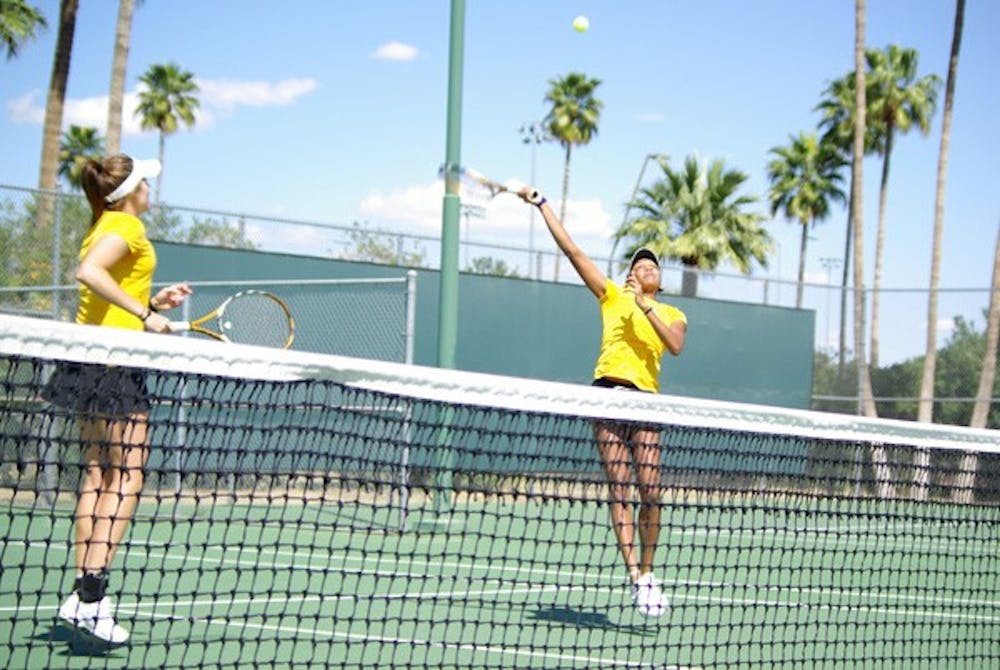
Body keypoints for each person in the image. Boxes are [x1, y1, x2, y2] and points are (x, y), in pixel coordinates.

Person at [517, 186, 686, 618]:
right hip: (607, 396)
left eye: (652, 266)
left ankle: (648, 573)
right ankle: (634, 577)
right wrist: (542, 205)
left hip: (646, 404)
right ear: (630, 275)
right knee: (620, 490)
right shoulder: (611, 296)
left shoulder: (670, 313)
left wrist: (645, 306)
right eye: (639, 265)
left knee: (651, 493)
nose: (646, 268)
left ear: (658, 280)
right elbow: (573, 252)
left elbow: (675, 346)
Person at [43, 154, 191, 645]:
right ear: (131, 191)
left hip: (86, 358)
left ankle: (82, 595)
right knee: (127, 476)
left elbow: (107, 289)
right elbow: (90, 272)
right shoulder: (125, 224)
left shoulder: (103, 222)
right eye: (145, 181)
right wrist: (143, 317)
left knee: (98, 473)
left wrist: (151, 304)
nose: (151, 187)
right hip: (114, 363)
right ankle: (91, 597)